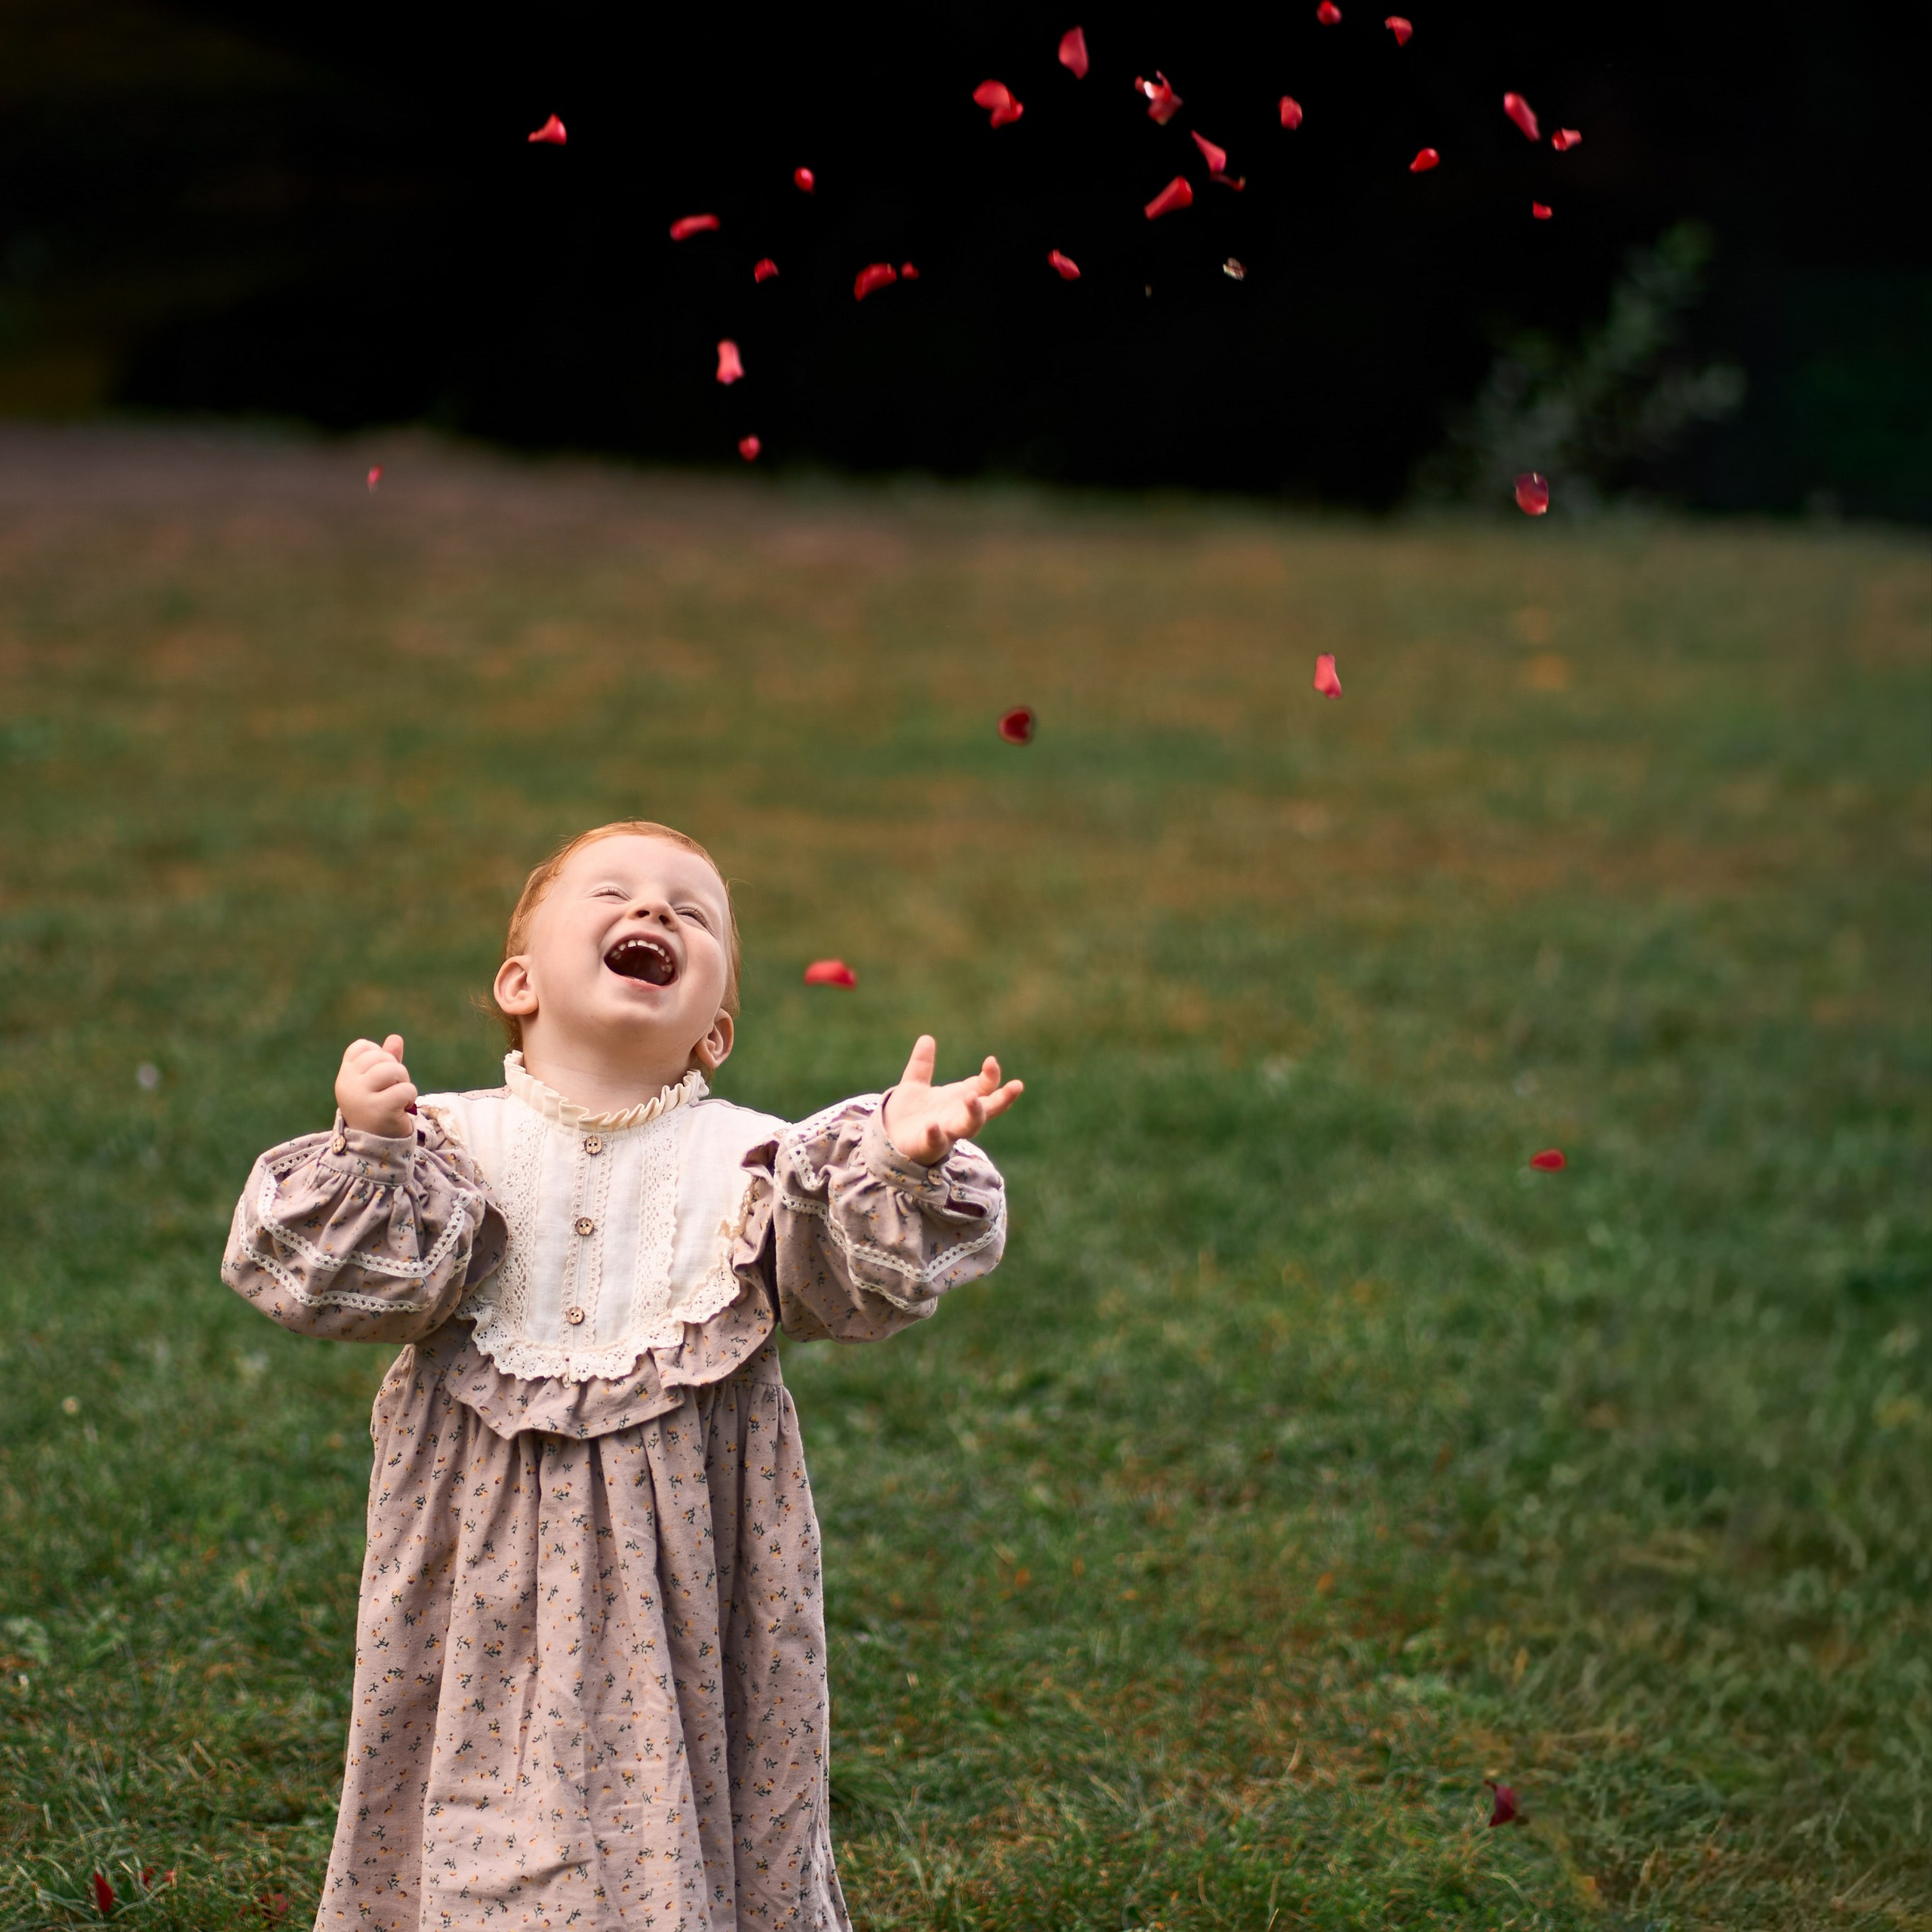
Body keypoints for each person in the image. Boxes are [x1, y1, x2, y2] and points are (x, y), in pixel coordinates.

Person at [222, 819, 1022, 1931]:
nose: (653, 912)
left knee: (683, 1775)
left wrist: (898, 1156)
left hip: (692, 1554)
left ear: (716, 1029)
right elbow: (329, 1284)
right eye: (613, 893)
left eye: (692, 911)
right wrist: (368, 1148)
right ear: (519, 982)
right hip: (478, 1547)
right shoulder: (438, 1142)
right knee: (481, 1772)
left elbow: (855, 1282)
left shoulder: (758, 1162)